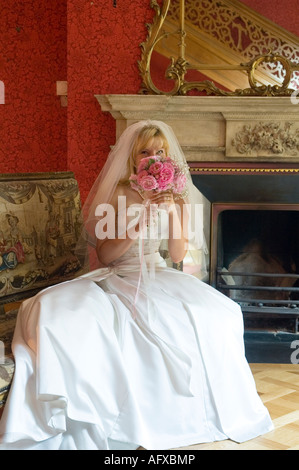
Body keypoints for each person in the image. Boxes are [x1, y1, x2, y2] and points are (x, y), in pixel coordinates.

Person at [0, 121, 273, 450]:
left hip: (160, 273)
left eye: (160, 152)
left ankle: (196, 413)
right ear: (133, 157)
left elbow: (176, 253)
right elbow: (105, 254)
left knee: (219, 312)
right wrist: (141, 216)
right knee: (87, 318)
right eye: (145, 152)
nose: (154, 158)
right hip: (120, 274)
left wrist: (172, 210)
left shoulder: (179, 196)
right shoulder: (116, 194)